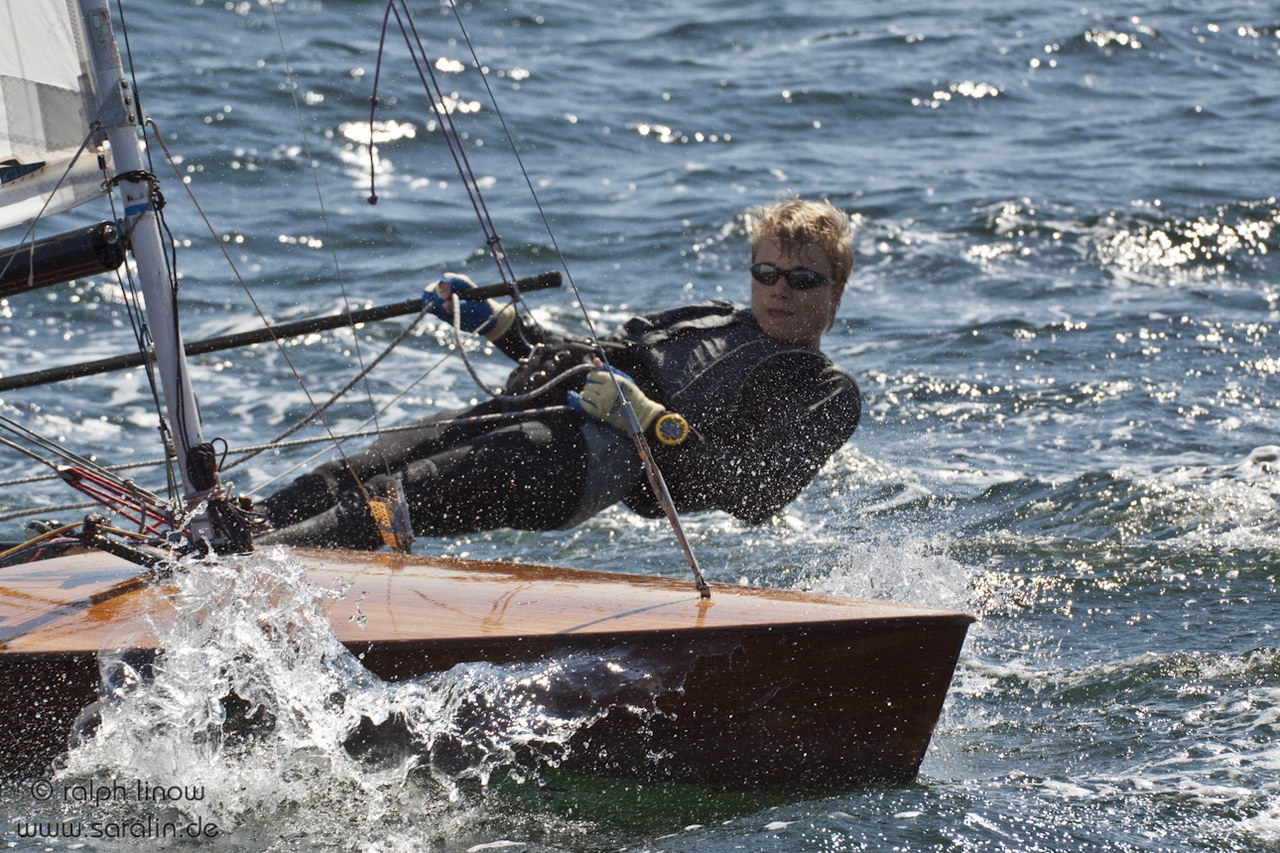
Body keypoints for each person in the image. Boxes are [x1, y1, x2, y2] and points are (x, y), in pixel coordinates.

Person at [257, 196, 861, 549]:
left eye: (802, 279)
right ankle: (217, 539)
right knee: (358, 469)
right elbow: (589, 357)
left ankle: (254, 567)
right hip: (536, 411)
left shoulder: (825, 391)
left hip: (585, 464)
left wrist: (652, 421)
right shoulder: (708, 317)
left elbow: (759, 492)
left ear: (835, 294)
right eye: (766, 273)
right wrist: (498, 327)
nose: (779, 290)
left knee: (396, 497)